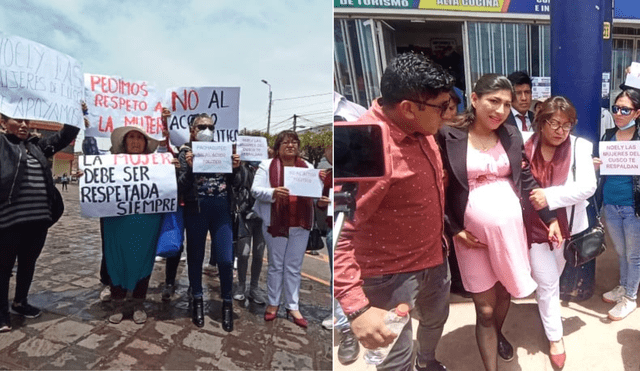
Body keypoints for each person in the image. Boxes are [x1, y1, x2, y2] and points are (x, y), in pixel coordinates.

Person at [334, 52, 454, 371]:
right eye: (441, 106)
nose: (447, 113)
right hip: (389, 277)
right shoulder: (365, 144)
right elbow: (339, 230)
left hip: (434, 260)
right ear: (408, 108)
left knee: (434, 322)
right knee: (394, 360)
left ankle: (426, 362)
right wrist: (356, 308)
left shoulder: (422, 129)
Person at [437, 74, 563, 371]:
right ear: (474, 99)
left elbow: (527, 180)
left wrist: (550, 219)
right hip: (470, 239)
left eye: (507, 104)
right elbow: (436, 189)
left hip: (509, 235)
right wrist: (454, 229)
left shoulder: (510, 134)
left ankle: (498, 331)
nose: (501, 110)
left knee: (505, 293)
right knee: (485, 308)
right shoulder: (448, 134)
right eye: (494, 101)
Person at [521, 96, 597, 369]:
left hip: (567, 228)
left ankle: (547, 313)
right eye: (554, 122)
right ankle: (555, 337)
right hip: (532, 228)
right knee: (549, 282)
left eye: (566, 125)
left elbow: (588, 186)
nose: (559, 130)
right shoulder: (525, 146)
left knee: (553, 277)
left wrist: (548, 197)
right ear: (541, 122)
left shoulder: (579, 147)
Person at [0, 114, 80, 332]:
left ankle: (20, 302)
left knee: (28, 263)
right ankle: (1, 313)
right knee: (3, 268)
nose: (24, 125)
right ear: (3, 122)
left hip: (38, 221)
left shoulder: (37, 147)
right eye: (18, 120)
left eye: (27, 121)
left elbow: (67, 135)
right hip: (8, 222)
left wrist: (74, 112)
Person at [252, 130, 330, 329]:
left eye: (294, 142)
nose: (291, 146)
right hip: (276, 223)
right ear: (278, 146)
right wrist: (273, 192)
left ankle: (293, 306)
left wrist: (320, 201)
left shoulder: (308, 167)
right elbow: (255, 190)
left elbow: (314, 196)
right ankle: (273, 302)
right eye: (286, 142)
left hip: (300, 223)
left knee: (294, 267)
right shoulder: (267, 165)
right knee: (276, 265)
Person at [178, 113, 241, 331]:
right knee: (195, 257)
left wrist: (236, 168)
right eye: (202, 126)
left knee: (225, 259)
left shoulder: (224, 150)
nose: (207, 130)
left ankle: (227, 302)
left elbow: (237, 183)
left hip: (221, 210)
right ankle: (196, 298)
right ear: (192, 130)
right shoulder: (186, 152)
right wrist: (190, 169)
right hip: (196, 210)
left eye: (211, 127)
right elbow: (180, 186)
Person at [102, 126, 165, 325]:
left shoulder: (157, 164)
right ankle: (118, 304)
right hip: (117, 221)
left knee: (143, 259)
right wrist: (86, 176)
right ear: (124, 141)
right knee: (115, 259)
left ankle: (139, 303)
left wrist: (173, 167)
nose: (136, 141)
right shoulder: (111, 162)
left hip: (146, 221)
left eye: (140, 137)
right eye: (132, 137)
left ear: (146, 143)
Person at [599, 89, 640, 321]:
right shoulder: (607, 136)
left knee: (634, 255)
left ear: (637, 113)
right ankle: (624, 287)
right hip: (611, 203)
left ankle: (631, 298)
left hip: (633, 207)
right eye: (616, 108)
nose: (619, 113)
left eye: (625, 110)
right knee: (622, 252)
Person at [232, 160, 267, 305]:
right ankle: (241, 285)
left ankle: (254, 287)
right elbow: (235, 183)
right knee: (243, 253)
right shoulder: (242, 169)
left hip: (263, 217)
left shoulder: (267, 169)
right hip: (244, 215)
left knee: (258, 254)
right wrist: (236, 167)